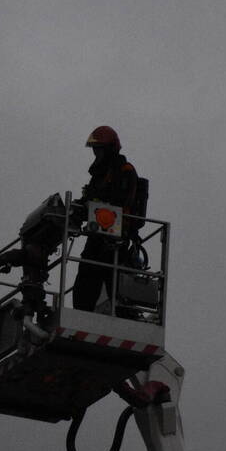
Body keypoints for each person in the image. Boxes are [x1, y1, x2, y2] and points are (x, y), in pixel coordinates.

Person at [72, 125, 144, 313]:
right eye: (95, 149)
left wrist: (94, 205)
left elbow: (120, 202)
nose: (96, 154)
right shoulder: (99, 175)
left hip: (115, 239)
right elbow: (90, 199)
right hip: (98, 237)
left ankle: (127, 315)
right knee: (85, 281)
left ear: (110, 149)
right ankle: (83, 316)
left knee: (116, 287)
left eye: (99, 149)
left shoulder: (124, 170)